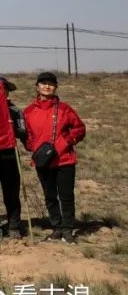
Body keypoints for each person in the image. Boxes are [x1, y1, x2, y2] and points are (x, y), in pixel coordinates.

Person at [23, 72, 86, 243]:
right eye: (43, 83)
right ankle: (57, 228)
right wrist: (33, 148)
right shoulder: (29, 111)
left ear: (56, 87)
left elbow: (79, 129)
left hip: (64, 159)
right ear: (37, 86)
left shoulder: (65, 109)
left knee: (66, 196)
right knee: (50, 196)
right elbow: (27, 136)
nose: (47, 86)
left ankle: (68, 230)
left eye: (51, 83)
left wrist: (65, 142)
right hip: (42, 161)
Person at [0, 76, 28, 238]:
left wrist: (13, 128)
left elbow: (22, 131)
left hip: (10, 157)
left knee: (12, 193)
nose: (2, 92)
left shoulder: (15, 110)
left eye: (5, 89)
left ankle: (14, 225)